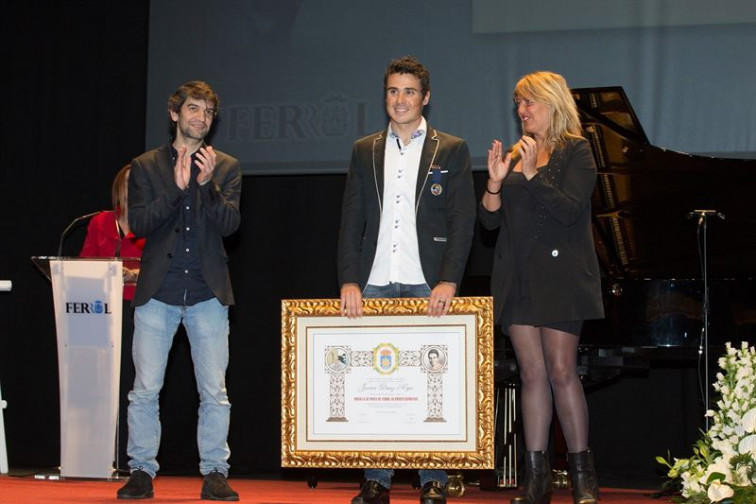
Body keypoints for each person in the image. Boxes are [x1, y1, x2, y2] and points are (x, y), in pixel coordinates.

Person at [337, 56, 476, 504]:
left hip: (426, 281)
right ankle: (376, 480)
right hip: (374, 281)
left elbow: (462, 220)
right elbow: (351, 220)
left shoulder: (451, 149)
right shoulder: (365, 149)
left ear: (426, 98)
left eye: (409, 91)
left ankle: (432, 480)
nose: (400, 100)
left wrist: (449, 279)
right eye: (393, 91)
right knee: (375, 384)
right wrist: (349, 279)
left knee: (429, 383)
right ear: (386, 97)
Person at [479, 71, 604, 504]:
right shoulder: (515, 154)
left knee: (561, 373)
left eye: (528, 102)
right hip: (517, 280)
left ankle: (584, 480)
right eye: (518, 104)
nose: (521, 111)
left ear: (551, 103)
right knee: (531, 375)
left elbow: (570, 211)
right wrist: (494, 183)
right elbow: (491, 223)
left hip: (561, 280)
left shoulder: (577, 150)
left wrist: (533, 176)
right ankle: (536, 484)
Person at [116, 81, 242, 501]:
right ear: (175, 114)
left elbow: (230, 226)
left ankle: (214, 472)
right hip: (158, 293)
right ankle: (140, 471)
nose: (200, 117)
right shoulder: (146, 166)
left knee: (215, 392)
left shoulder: (226, 166)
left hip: (207, 293)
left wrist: (206, 186)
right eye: (193, 108)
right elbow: (138, 224)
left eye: (207, 111)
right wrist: (175, 187)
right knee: (145, 390)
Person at [79, 163, 145, 471]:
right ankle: (94, 456)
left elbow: (167, 267)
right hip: (99, 311)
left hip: (138, 310)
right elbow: (83, 265)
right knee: (98, 384)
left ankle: (132, 458)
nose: (134, 188)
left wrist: (136, 275)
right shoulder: (99, 223)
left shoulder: (154, 224)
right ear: (119, 187)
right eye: (130, 182)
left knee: (134, 383)